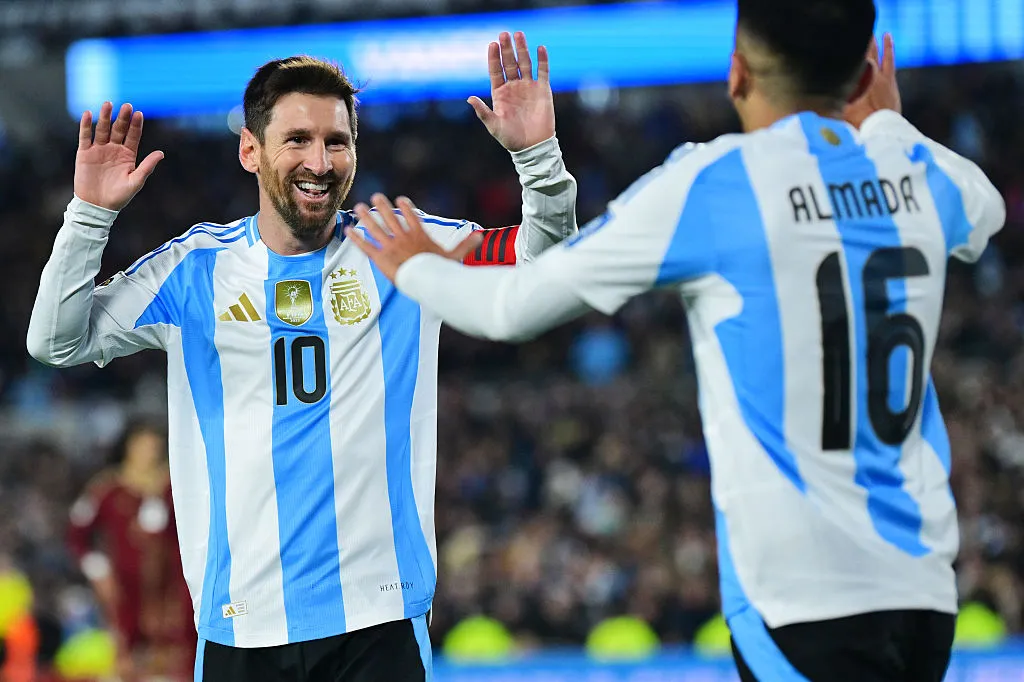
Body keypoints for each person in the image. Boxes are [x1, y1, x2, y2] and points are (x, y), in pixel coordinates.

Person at [347, 2, 1007, 680]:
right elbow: (987, 209)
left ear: (737, 74)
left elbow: (513, 307)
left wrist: (414, 262)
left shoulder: (716, 182)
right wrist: (887, 125)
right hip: (924, 592)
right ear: (868, 70)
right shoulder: (917, 171)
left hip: (801, 600)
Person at [28, 31, 577, 681]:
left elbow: (547, 278)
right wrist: (89, 217)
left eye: (336, 141)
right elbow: (55, 341)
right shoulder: (192, 271)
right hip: (243, 627)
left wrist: (538, 159)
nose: (320, 160)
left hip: (379, 619)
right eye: (297, 140)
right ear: (250, 150)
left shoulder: (401, 246)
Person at [67, 421, 195, 681]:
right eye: (143, 446)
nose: (150, 453)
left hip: (174, 586)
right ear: (128, 447)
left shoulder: (177, 485)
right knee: (129, 652)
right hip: (126, 587)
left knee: (180, 652)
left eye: (155, 447)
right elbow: (77, 533)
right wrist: (98, 571)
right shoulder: (107, 489)